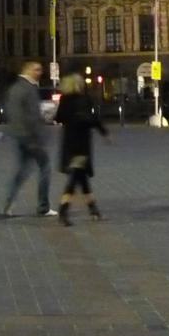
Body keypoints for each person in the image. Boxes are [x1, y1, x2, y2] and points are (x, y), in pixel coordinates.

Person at [1, 60, 57, 217]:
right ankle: (43, 206)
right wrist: (34, 135)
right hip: (31, 137)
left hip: (22, 136)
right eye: (36, 69)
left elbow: (16, 113)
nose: (40, 72)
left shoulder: (17, 87)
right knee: (45, 167)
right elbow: (29, 115)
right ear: (27, 70)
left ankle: (10, 201)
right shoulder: (27, 88)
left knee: (22, 170)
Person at [54, 73, 110, 226]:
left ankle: (94, 211)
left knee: (81, 177)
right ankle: (63, 210)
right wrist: (104, 133)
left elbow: (58, 118)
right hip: (81, 143)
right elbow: (93, 118)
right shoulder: (84, 99)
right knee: (75, 178)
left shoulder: (64, 99)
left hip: (68, 142)